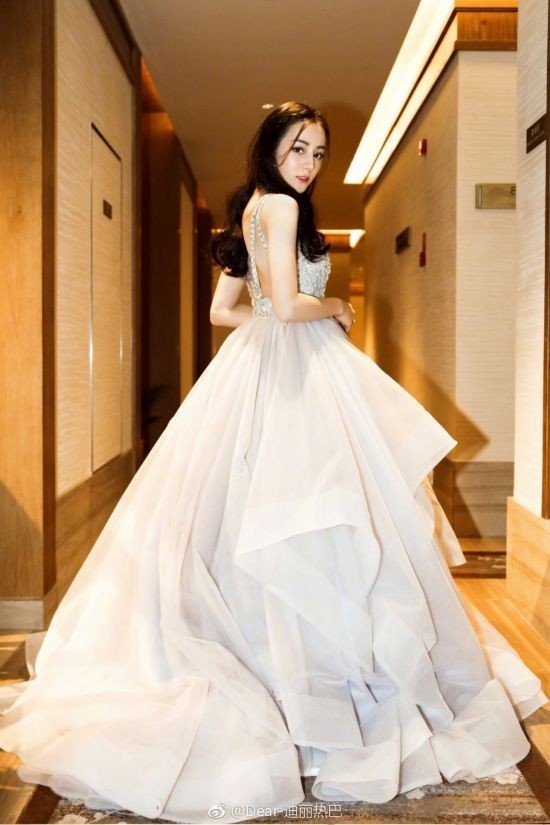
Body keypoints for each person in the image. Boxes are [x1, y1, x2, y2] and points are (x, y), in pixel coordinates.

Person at [0, 101, 547, 824]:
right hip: (296, 371)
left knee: (261, 519)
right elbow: (287, 307)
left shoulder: (254, 209)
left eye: (318, 152)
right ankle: (320, 689)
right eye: (298, 148)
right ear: (271, 147)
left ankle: (282, 672)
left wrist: (280, 313)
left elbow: (224, 312)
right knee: (322, 519)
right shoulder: (282, 208)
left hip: (257, 368)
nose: (309, 164)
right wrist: (335, 308)